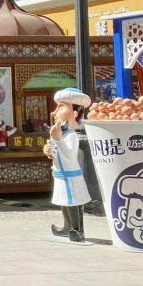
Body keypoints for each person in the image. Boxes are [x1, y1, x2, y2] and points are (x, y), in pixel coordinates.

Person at [43, 87, 92, 241]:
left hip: (70, 176)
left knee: (72, 202)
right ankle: (66, 227)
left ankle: (76, 229)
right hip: (60, 175)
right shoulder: (62, 134)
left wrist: (58, 140)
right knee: (63, 201)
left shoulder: (71, 136)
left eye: (61, 106)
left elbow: (70, 155)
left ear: (74, 113)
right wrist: (48, 150)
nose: (55, 111)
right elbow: (57, 154)